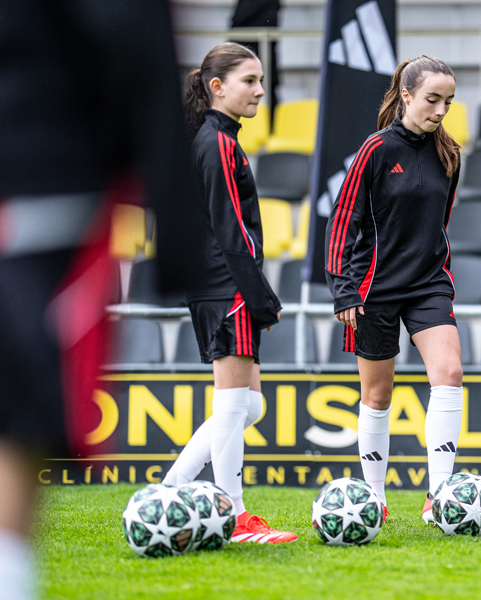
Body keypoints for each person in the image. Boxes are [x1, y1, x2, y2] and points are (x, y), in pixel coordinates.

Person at [0, 2, 205, 598]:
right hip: (40, 181)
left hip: (38, 179)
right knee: (13, 423)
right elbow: (135, 37)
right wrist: (182, 245)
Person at [161, 43, 296, 544]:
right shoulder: (215, 142)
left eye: (261, 79)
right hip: (228, 286)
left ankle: (173, 488)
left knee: (246, 407)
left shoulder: (215, 139)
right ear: (217, 87)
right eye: (249, 80)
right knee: (235, 402)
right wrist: (258, 292)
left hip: (220, 285)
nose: (261, 90)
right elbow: (231, 227)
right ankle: (236, 516)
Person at [325, 56, 462, 523]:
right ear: (406, 96)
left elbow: (439, 224)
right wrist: (344, 290)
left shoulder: (450, 154)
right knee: (378, 397)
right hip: (373, 290)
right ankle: (374, 497)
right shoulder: (375, 150)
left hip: (428, 285)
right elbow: (343, 220)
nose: (441, 110)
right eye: (432, 99)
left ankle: (440, 494)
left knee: (449, 374)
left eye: (448, 101)